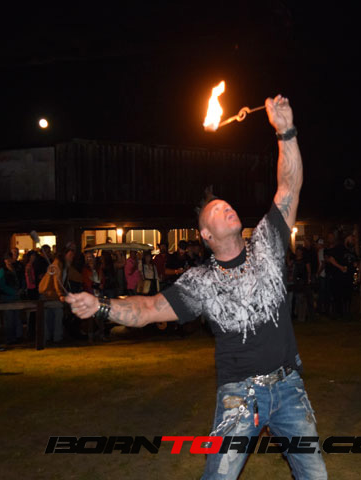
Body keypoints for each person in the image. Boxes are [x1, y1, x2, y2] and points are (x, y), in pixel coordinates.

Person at [66, 95, 327, 479]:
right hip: (240, 395)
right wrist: (101, 305)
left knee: (315, 475)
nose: (227, 207)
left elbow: (289, 186)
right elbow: (148, 309)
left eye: (227, 204)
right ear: (206, 234)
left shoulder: (267, 244)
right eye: (217, 209)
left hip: (288, 386)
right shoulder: (200, 282)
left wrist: (285, 131)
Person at [0, 251, 23, 345]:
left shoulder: (16, 269)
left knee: (17, 317)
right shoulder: (3, 270)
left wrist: (20, 289)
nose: (9, 260)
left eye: (10, 258)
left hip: (16, 296)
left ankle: (17, 336)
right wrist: (13, 292)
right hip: (7, 297)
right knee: (9, 318)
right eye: (7, 259)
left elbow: (20, 280)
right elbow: (2, 285)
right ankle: (10, 338)